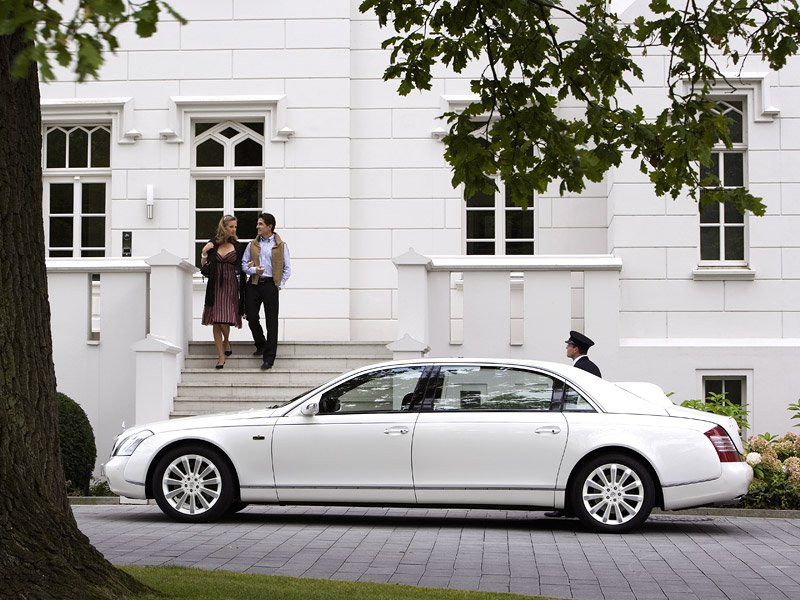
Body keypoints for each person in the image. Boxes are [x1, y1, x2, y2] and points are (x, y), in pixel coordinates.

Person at [545, 329, 603, 519]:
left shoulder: (579, 369)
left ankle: (565, 507)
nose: (567, 348)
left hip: (576, 421)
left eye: (569, 345)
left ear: (576, 349)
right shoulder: (592, 367)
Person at [241, 212, 291, 371]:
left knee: (271, 321)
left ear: (269, 226)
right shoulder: (252, 245)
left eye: (260, 224)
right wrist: (255, 269)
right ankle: (261, 343)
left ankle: (269, 358)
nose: (257, 226)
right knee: (251, 316)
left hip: (270, 285)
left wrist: (279, 285)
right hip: (254, 284)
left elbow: (287, 269)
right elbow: (243, 265)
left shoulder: (281, 246)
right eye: (258, 223)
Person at [200, 215, 246, 369]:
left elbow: (243, 265)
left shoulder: (238, 247)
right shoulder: (213, 244)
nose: (233, 230)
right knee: (217, 320)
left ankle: (226, 340)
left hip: (230, 284)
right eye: (231, 227)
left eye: (235, 227)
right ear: (224, 227)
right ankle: (221, 356)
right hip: (215, 284)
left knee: (225, 318)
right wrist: (204, 253)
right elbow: (204, 267)